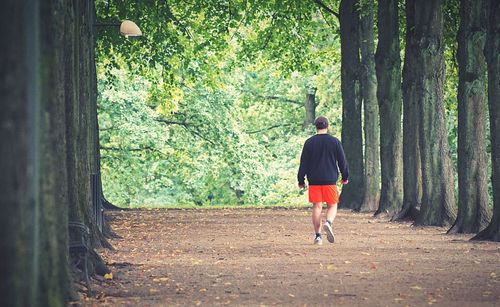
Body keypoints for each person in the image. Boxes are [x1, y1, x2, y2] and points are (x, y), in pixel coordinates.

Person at [297, 116, 349, 245]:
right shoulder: (335, 142)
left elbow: (303, 163)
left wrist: (301, 180)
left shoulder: (309, 142)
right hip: (330, 179)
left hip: (314, 180)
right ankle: (328, 222)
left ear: (316, 126)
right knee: (332, 205)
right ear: (327, 126)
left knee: (317, 206)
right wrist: (345, 177)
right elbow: (342, 161)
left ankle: (318, 236)